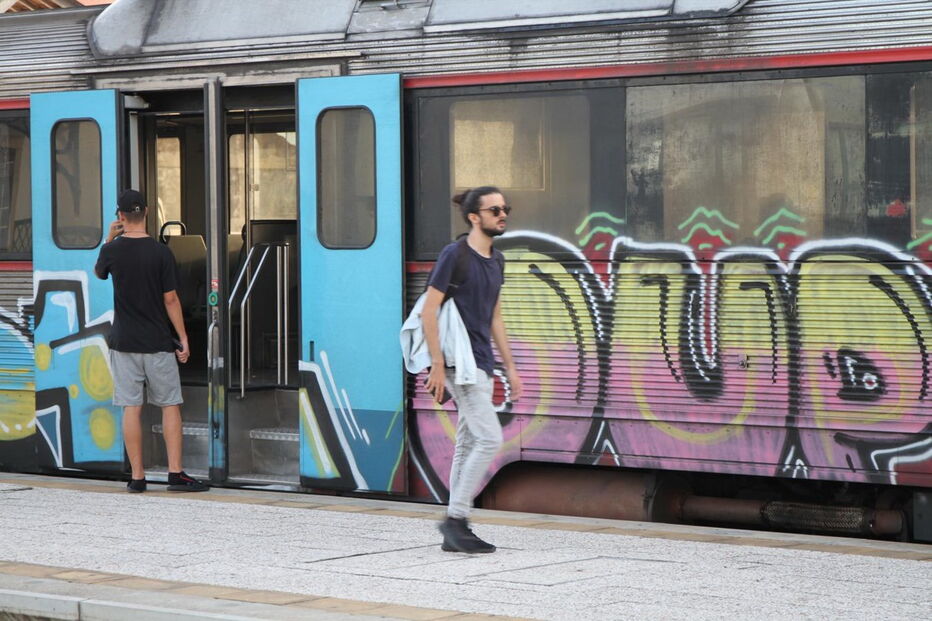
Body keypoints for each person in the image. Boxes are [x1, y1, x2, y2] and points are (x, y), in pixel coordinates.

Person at [421, 186, 522, 553]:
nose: (502, 214)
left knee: (467, 442)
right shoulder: (456, 254)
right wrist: (435, 364)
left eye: (504, 208)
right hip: (457, 363)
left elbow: (494, 315)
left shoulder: (497, 260)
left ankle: (455, 527)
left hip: (481, 361)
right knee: (490, 438)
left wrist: (510, 367)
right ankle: (456, 520)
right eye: (494, 209)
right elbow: (429, 310)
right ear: (474, 217)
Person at [94, 189, 208, 493]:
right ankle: (175, 474)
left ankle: (138, 477)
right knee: (170, 405)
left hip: (124, 342)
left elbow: (99, 273)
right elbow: (170, 299)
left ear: (120, 216)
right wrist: (182, 338)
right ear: (145, 212)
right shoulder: (161, 252)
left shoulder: (112, 251)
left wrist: (108, 239)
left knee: (131, 408)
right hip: (157, 342)